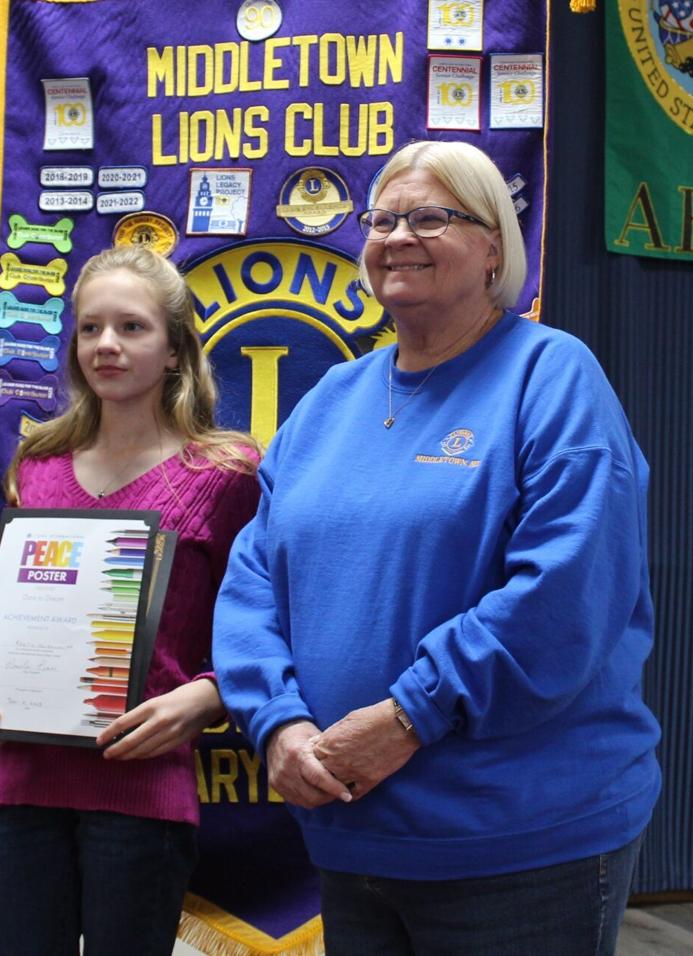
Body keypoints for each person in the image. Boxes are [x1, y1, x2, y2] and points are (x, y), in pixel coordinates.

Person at [213, 140, 660, 956]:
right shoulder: (333, 397)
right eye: (382, 220)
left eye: (429, 217)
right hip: (350, 831)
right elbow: (252, 580)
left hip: (519, 846)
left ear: (493, 248)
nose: (397, 237)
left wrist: (409, 715)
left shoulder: (551, 376)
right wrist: (276, 722)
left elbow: (564, 595)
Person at [0, 245, 260, 956]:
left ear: (174, 349)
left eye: (131, 327)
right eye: (90, 328)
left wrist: (209, 695)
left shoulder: (226, 473)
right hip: (25, 786)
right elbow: (16, 614)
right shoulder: (38, 465)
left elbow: (263, 624)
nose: (106, 344)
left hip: (142, 790)